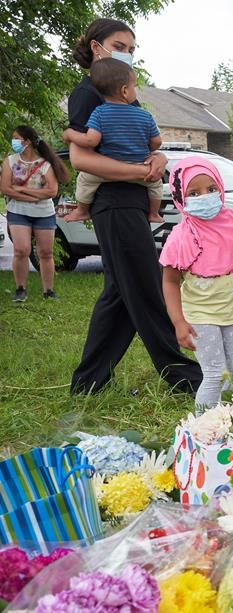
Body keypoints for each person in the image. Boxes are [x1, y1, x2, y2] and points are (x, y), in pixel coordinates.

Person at [66, 18, 202, 395]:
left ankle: (89, 381)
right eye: (121, 44)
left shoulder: (124, 93)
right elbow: (81, 158)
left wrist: (156, 160)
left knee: (120, 293)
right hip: (113, 200)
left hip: (130, 200)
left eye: (133, 48)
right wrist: (139, 170)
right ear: (97, 46)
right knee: (143, 287)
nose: (128, 52)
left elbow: (148, 141)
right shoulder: (88, 93)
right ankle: (182, 376)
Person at [159, 157, 233, 409]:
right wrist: (179, 322)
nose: (205, 196)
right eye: (194, 193)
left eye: (211, 189)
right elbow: (170, 282)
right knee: (215, 373)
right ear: (180, 196)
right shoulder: (180, 236)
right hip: (200, 313)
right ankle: (204, 429)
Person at [62, 58, 163, 225]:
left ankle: (81, 211)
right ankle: (154, 214)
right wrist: (151, 149)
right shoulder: (144, 115)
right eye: (134, 86)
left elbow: (90, 140)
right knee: (156, 185)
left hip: (107, 171)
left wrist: (70, 135)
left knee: (85, 180)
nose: (135, 91)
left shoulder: (98, 113)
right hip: (140, 169)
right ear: (125, 90)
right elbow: (156, 142)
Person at [0, 126, 69, 303]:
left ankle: (48, 291)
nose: (13, 142)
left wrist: (21, 190)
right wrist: (35, 195)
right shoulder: (9, 161)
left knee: (46, 252)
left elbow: (52, 191)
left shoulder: (45, 165)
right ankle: (20, 289)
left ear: (27, 142)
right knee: (21, 250)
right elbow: (6, 189)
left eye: (16, 139)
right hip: (18, 212)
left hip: (44, 213)